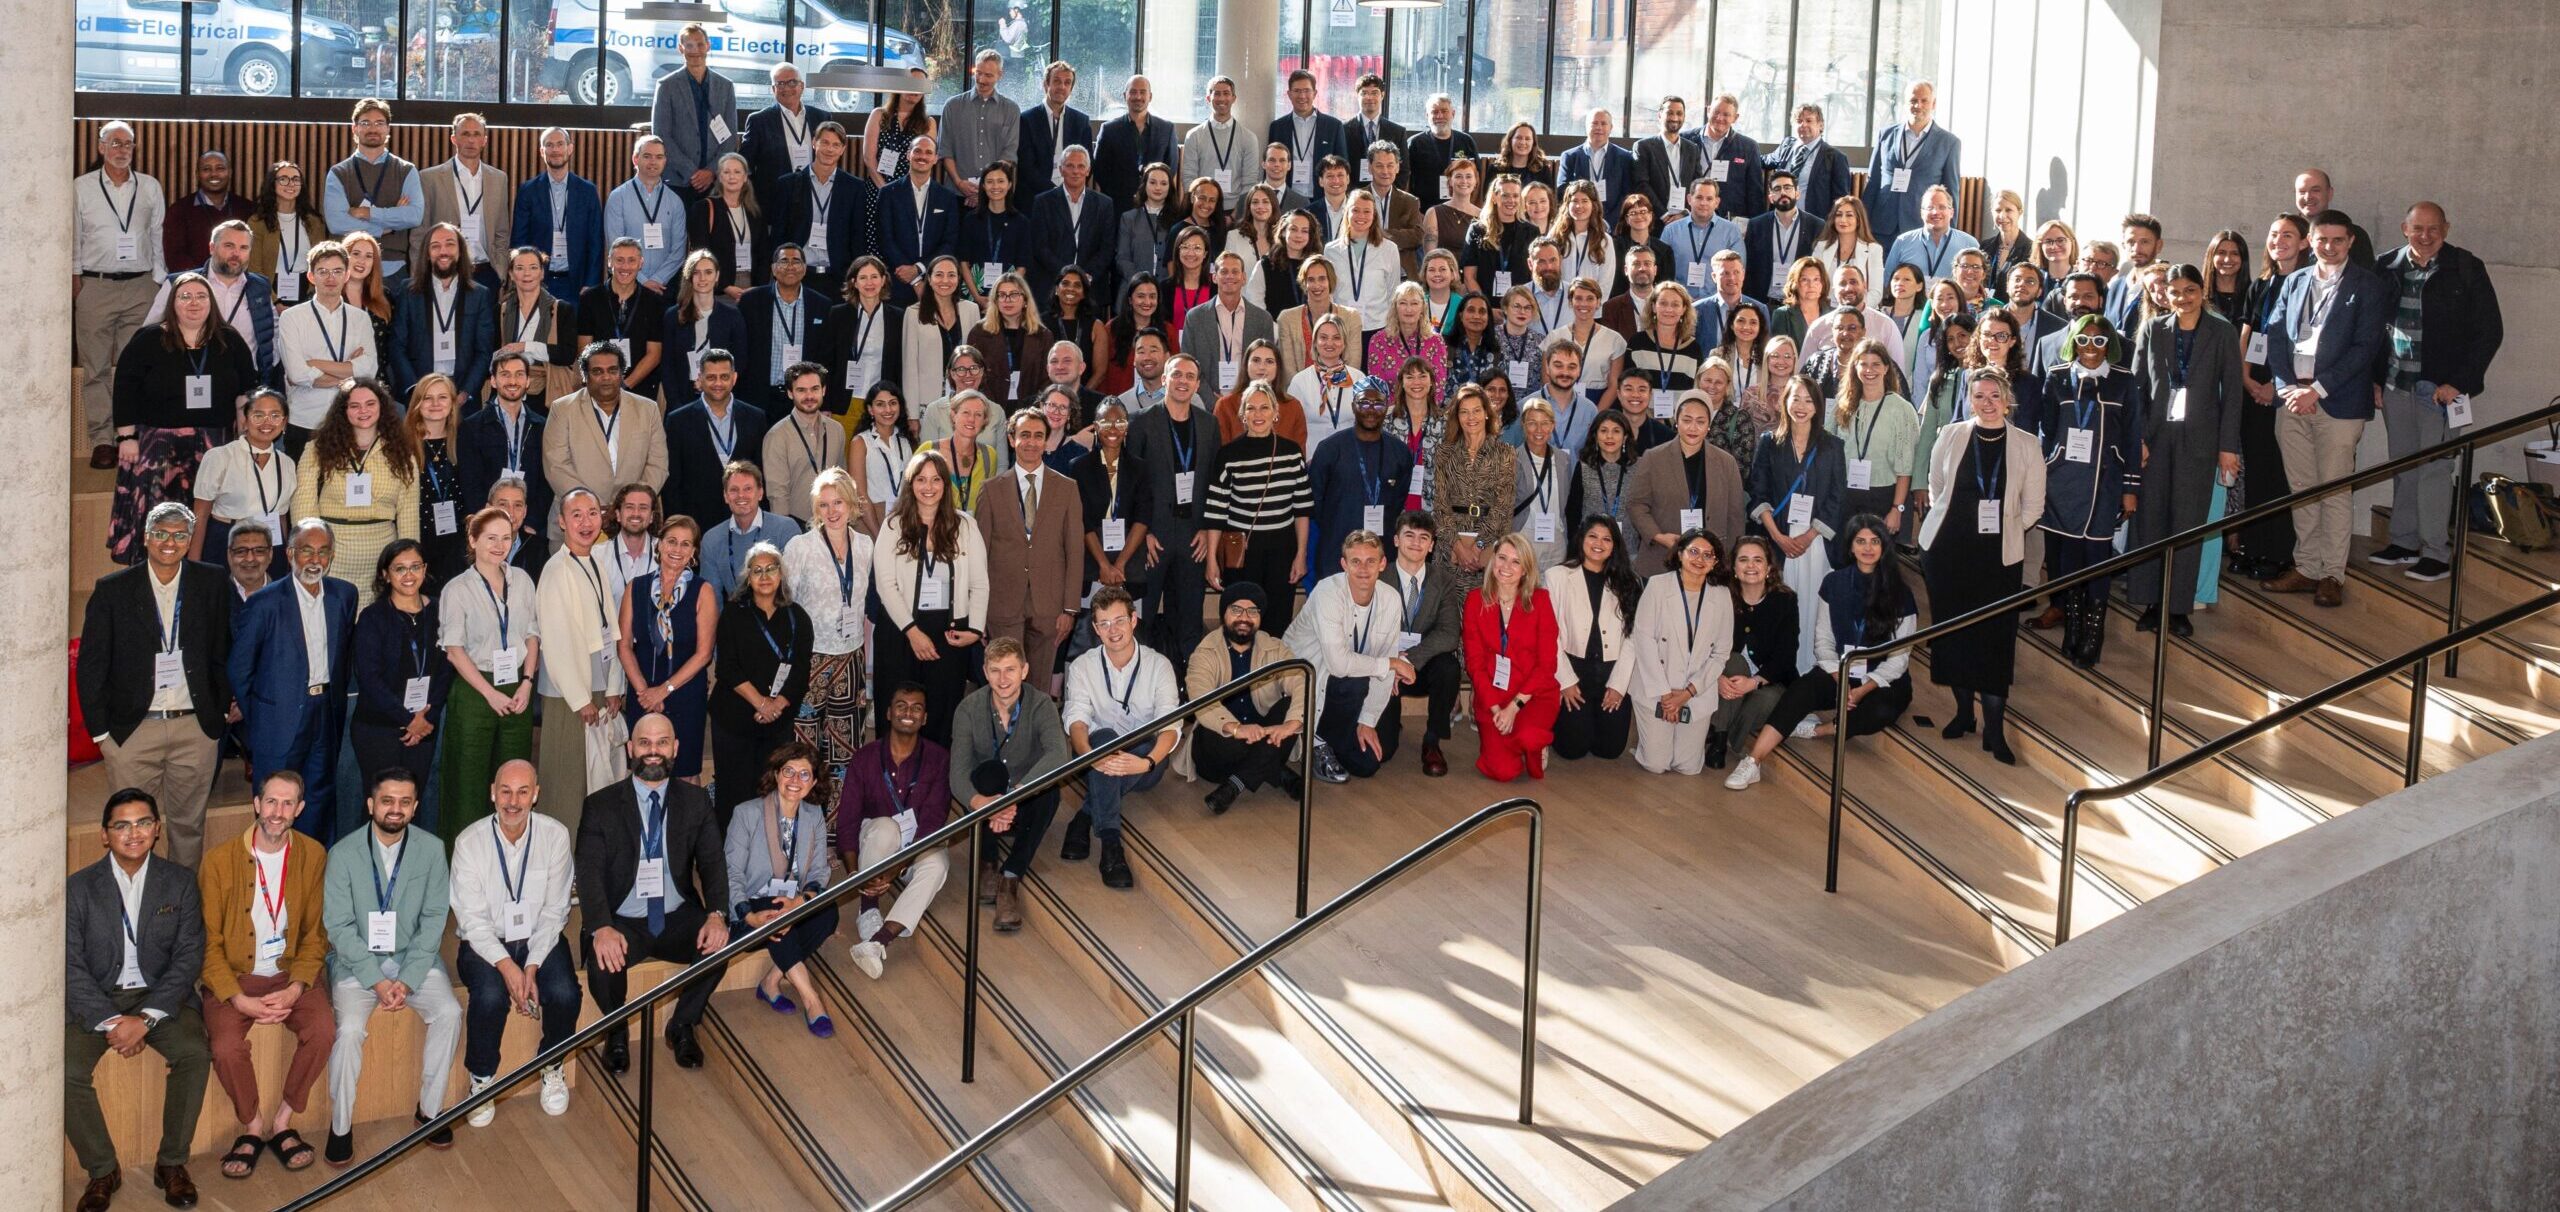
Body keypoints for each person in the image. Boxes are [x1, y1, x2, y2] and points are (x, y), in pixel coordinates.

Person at [66, 789, 212, 1210]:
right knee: (66, 1070)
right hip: (97, 998)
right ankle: (102, 1169)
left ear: (157, 829)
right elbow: (69, 964)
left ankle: (172, 1163)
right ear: (104, 835)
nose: (134, 833)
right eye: (122, 825)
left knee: (194, 1052)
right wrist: (113, 1023)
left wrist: (145, 1019)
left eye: (144, 822)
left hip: (159, 995)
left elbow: (188, 957)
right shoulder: (78, 888)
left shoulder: (179, 882)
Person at [318, 769, 462, 1164]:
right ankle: (340, 1125)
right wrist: (376, 981)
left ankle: (429, 1112)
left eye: (404, 802)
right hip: (356, 962)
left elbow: (434, 919)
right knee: (349, 1030)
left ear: (415, 808)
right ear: (371, 805)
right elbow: (338, 926)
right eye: (387, 801)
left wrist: (409, 979)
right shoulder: (343, 853)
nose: (395, 809)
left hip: (415, 958)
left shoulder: (432, 849)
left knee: (450, 1013)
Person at [576, 713, 732, 1075]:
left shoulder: (695, 801)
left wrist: (717, 914)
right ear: (631, 748)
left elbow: (712, 862)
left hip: (676, 914)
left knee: (724, 941)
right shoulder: (601, 805)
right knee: (602, 959)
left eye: (662, 743)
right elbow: (589, 872)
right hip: (622, 918)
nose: (653, 751)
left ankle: (682, 1024)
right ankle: (616, 1030)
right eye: (644, 743)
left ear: (675, 748)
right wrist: (601, 926)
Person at [195, 773, 331, 1180]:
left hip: (289, 973)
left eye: (287, 804)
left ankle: (284, 1120)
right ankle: (252, 1125)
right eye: (271, 801)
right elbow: (207, 944)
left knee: (324, 1030)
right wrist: (238, 999)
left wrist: (296, 988)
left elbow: (314, 935)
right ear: (256, 804)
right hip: (235, 977)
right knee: (225, 1047)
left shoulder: (313, 854)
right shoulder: (218, 861)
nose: (277, 812)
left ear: (299, 809)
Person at [1725, 515, 1917, 789]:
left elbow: (1899, 657)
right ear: (1850, 547)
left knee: (1880, 710)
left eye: (1875, 541)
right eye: (1860, 541)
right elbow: (1823, 641)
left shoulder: (1901, 593)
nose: (1867, 548)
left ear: (1884, 547)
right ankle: (1753, 762)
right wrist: (1840, 678)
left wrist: (1862, 690)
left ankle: (1821, 730)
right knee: (1799, 690)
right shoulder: (1834, 583)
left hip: (1881, 678)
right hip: (1840, 670)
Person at [2261, 211, 2391, 609]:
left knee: (2333, 489)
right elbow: (2276, 335)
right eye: (2322, 239)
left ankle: (2332, 574)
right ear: (2310, 241)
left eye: (2337, 240)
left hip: (2338, 402)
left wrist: (2316, 390)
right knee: (2302, 489)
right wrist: (2286, 387)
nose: (2329, 247)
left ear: (2350, 242)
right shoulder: (2295, 280)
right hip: (2292, 400)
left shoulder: (2368, 286)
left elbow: (2365, 348)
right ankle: (2306, 567)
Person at [2370, 203, 2504, 583]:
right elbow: (2374, 327)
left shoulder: (2465, 267)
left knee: (2435, 470)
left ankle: (2435, 553)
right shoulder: (2386, 266)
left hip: (2441, 392)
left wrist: (2459, 383)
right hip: (2396, 386)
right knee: (2403, 467)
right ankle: (2404, 542)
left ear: (2446, 228)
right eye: (2418, 228)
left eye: (2433, 228)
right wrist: (2375, 379)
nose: (2425, 236)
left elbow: (2489, 331)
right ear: (2404, 228)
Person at [1919, 369, 2046, 764]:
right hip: (1948, 553)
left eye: (1994, 395)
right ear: (1969, 400)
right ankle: (1963, 714)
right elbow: (1937, 487)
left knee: (1994, 643)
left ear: (2007, 400)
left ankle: (1994, 728)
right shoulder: (1951, 434)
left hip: (1998, 560)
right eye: (1979, 396)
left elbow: (2033, 507)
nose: (1987, 403)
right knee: (1954, 637)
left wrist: (2006, 530)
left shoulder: (2027, 444)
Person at [447, 759, 578, 1128]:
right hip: (485, 943)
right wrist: (508, 967)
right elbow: (472, 921)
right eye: (505, 791)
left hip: (539, 937)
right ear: (493, 793)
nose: (513, 801)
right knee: (490, 996)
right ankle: (481, 1079)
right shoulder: (469, 842)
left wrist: (532, 965)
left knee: (565, 993)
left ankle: (551, 1063)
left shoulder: (555, 835)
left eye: (523, 792)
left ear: (536, 795)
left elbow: (556, 910)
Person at [2122, 264, 2248, 634]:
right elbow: (2136, 387)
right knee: (2150, 520)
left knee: (2188, 524)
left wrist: (2227, 447)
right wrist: (2137, 438)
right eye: (2174, 291)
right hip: (2155, 439)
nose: (2182, 298)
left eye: (2190, 290)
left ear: (2201, 291)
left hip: (2201, 441)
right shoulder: (2153, 328)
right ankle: (2151, 602)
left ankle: (2178, 608)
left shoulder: (2222, 332)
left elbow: (2233, 394)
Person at [231, 520, 358, 839]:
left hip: (325, 713)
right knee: (275, 805)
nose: (315, 560)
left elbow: (344, 659)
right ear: (289, 554)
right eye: (306, 551)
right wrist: (262, 715)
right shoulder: (264, 603)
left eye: (323, 551)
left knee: (319, 801)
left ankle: (313, 864)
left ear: (332, 556)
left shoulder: (344, 595)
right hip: (277, 721)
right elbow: (239, 669)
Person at [1058, 587, 1181, 887]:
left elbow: (1170, 725)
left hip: (1144, 759)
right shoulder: (1083, 665)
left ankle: (1084, 817)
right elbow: (1076, 721)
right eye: (1104, 624)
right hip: (1093, 753)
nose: (1113, 630)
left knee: (1143, 744)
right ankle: (1111, 844)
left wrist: (1147, 763)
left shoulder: (1159, 665)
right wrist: (1090, 756)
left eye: (1119, 621)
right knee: (1105, 737)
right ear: (1096, 629)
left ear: (1133, 620)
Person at [2037, 315, 2141, 669]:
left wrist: (2130, 488)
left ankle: (2094, 633)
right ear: (2074, 343)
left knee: (2097, 557)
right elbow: (2047, 431)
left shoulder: (2123, 381)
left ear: (2109, 344)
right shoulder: (2057, 377)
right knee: (2067, 557)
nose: (2091, 348)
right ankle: (2073, 625)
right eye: (2084, 340)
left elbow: (2132, 437)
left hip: (2105, 483)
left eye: (2099, 341)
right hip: (2063, 481)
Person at [872, 449, 990, 743]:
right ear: (910, 484)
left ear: (945, 484)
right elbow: (885, 585)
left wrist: (975, 629)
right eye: (921, 479)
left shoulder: (966, 525)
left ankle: (936, 771)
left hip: (949, 634)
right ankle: (892, 769)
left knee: (942, 712)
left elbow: (980, 583)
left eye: (936, 479)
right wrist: (913, 632)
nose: (929, 487)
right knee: (897, 710)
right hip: (900, 632)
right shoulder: (893, 525)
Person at [832, 689, 951, 978]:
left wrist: (898, 866)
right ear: (888, 713)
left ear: (925, 718)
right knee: (886, 826)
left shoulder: (938, 758)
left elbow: (933, 821)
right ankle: (868, 908)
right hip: (876, 842)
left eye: (916, 708)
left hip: (914, 848)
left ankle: (878, 941)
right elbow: (847, 819)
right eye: (901, 706)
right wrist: (854, 875)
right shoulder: (865, 757)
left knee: (939, 862)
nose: (908, 713)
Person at [442, 506, 545, 837]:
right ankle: (464, 858)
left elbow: (532, 635)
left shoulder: (523, 581)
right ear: (473, 540)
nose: (500, 546)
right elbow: (454, 650)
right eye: (491, 538)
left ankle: (510, 852)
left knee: (513, 779)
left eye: (506, 538)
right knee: (469, 783)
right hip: (476, 689)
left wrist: (527, 682)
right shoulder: (457, 589)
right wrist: (489, 693)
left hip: (517, 688)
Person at [723, 743, 840, 1021]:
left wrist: (798, 902)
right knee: (777, 910)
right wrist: (748, 915)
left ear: (813, 782)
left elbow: (820, 873)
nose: (795, 780)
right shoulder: (746, 813)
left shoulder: (813, 816)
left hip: (790, 907)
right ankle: (811, 1000)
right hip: (751, 911)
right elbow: (731, 873)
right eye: (788, 771)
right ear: (776, 774)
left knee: (828, 912)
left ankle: (771, 981)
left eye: (804, 774)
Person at [533, 488, 624, 836]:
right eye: (576, 515)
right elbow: (555, 643)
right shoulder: (556, 570)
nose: (586, 522)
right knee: (566, 783)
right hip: (569, 695)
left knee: (596, 783)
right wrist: (579, 698)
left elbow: (610, 629)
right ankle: (563, 858)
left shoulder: (595, 561)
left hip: (597, 684)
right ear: (561, 522)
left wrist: (614, 686)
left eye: (592, 513)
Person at [350, 541, 452, 837]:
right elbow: (369, 679)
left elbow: (447, 668)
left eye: (415, 567)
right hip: (378, 729)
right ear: (385, 574)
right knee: (380, 806)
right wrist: (409, 719)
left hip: (424, 726)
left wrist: (427, 717)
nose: (409, 575)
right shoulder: (372, 617)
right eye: (399, 569)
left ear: (425, 569)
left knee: (412, 805)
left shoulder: (440, 611)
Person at [1749, 376, 1849, 673]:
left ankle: (1810, 670)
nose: (1801, 406)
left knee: (1814, 606)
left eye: (1808, 400)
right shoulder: (1769, 442)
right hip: (1778, 538)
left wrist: (1810, 534)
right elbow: (1758, 491)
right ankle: (1774, 672)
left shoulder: (1832, 446)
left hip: (1815, 542)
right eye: (1795, 398)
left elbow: (1837, 495)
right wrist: (1777, 536)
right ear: (1785, 402)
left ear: (1818, 406)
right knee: (1779, 605)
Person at [1126, 357, 1224, 657]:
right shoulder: (1140, 422)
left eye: (1190, 376)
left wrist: (1207, 529)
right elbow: (1131, 484)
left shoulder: (1209, 424)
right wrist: (1142, 533)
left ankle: (1187, 680)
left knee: (1189, 619)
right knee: (1142, 618)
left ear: (1197, 384)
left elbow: (1214, 482)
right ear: (1165, 379)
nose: (1183, 381)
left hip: (1194, 535)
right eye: (1177, 374)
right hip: (1153, 535)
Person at [1613, 527, 1731, 775]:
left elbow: (1721, 654)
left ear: (1715, 562)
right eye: (1693, 551)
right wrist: (1667, 696)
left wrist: (1687, 694)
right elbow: (1643, 640)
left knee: (1688, 767)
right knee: (1657, 764)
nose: (1700, 559)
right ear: (1680, 553)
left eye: (1708, 555)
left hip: (1696, 691)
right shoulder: (1657, 586)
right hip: (1657, 689)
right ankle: (1647, 745)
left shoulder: (1721, 596)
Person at [1201, 382, 1315, 631]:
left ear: (1275, 412)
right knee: (1240, 624)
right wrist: (1211, 560)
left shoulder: (1292, 453)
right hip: (1241, 554)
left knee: (1277, 623)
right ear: (1242, 414)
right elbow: (1215, 514)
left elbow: (1302, 510)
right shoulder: (1228, 455)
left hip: (1282, 552)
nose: (1258, 414)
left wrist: (1301, 555)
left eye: (1264, 408)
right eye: (1251, 408)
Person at [1460, 532, 1562, 781]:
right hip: (1493, 694)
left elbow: (1547, 665)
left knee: (1528, 737)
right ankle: (1511, 744)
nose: (1506, 566)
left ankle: (1534, 744)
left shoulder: (1541, 600)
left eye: (1516, 561)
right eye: (1502, 558)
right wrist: (1496, 708)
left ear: (1525, 569)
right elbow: (1475, 664)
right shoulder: (1475, 601)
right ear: (1493, 559)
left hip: (1532, 694)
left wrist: (1514, 708)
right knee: (1502, 772)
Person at [1189, 582, 1301, 810]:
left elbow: (1301, 681)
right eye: (1236, 610)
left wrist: (1291, 724)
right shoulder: (1204, 652)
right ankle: (1276, 771)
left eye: (1252, 611)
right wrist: (1236, 729)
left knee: (1290, 706)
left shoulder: (1275, 648)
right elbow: (1201, 700)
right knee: (1213, 733)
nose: (1244, 617)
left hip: (1263, 734)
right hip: (1222, 745)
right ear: (1224, 614)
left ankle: (1235, 784)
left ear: (1260, 617)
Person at [544, 342, 670, 528]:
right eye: (597, 371)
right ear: (585, 376)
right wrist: (591, 509)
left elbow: (657, 465)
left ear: (621, 374)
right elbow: (556, 466)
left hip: (633, 519)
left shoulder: (648, 409)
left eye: (612, 370)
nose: (606, 377)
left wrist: (629, 506)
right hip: (577, 521)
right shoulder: (562, 409)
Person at [1547, 517, 1639, 762]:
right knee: (1571, 750)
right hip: (1574, 671)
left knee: (1609, 750)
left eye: (1607, 539)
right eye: (1593, 536)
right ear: (1581, 539)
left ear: (1614, 545)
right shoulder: (1557, 576)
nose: (1599, 543)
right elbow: (1549, 635)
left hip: (1612, 672)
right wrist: (1566, 681)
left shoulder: (1628, 581)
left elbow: (1633, 638)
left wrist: (1618, 686)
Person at [1627, 393, 1749, 568]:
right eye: (1687, 420)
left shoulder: (1726, 462)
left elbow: (1735, 516)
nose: (1693, 427)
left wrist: (1727, 561)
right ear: (1676, 421)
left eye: (1700, 422)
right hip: (1663, 555)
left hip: (1710, 560)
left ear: (1709, 425)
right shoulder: (1653, 458)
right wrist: (1658, 536)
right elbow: (1636, 504)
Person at [1710, 535, 1799, 768]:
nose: (1751, 566)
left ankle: (1724, 737)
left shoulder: (1785, 600)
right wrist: (1717, 678)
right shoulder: (1720, 596)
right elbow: (1705, 645)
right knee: (1734, 661)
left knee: (1768, 699)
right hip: (1727, 674)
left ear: (1769, 568)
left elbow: (1786, 656)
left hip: (1769, 680)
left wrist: (1754, 682)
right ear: (1734, 568)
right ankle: (1718, 740)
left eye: (1758, 560)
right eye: (1743, 560)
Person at [1826, 339, 1921, 534]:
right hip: (1844, 493)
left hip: (1883, 496)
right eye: (1864, 364)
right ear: (1855, 367)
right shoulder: (1842, 405)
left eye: (1876, 364)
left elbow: (1905, 468)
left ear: (1886, 368)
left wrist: (1897, 509)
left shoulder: (1902, 409)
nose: (1869, 370)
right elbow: (1827, 447)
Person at [323, 99, 423, 278]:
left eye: (379, 123)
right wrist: (386, 228)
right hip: (349, 266)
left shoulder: (406, 170)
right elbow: (336, 223)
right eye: (365, 123)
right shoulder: (339, 172)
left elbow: (414, 216)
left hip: (393, 265)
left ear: (388, 129)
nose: (373, 128)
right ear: (354, 128)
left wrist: (366, 213)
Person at [773, 123, 875, 298]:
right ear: (814, 143)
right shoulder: (788, 184)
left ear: (843, 149)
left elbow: (858, 236)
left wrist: (855, 275)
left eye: (836, 145)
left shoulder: (855, 188)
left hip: (838, 277)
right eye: (825, 142)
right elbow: (779, 234)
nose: (830, 149)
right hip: (797, 275)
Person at [1858, 82, 1960, 242]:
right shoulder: (1885, 135)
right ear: (1905, 103)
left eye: (1924, 100)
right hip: (1882, 225)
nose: (1918, 105)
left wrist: (1948, 235)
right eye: (1913, 101)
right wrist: (1862, 224)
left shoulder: (1948, 143)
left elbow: (1951, 192)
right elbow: (1873, 182)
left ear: (1934, 104)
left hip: (1921, 227)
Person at [511, 128, 604, 302]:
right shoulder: (528, 191)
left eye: (560, 144)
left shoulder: (587, 191)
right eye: (549, 145)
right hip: (538, 283)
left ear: (570, 148)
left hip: (577, 285)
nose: (555, 150)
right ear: (542, 151)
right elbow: (519, 240)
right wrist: (524, 279)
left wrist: (591, 283)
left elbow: (596, 242)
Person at [650, 24, 740, 197]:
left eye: (700, 44)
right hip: (678, 180)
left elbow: (729, 138)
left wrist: (711, 171)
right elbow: (662, 134)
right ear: (680, 48)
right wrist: (691, 172)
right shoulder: (666, 86)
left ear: (708, 46)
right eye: (689, 45)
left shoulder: (726, 86)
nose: (695, 50)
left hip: (715, 181)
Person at [878, 137, 964, 307]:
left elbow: (950, 242)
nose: (922, 156)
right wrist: (912, 277)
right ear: (908, 155)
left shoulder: (947, 197)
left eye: (928, 152)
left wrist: (919, 269)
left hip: (935, 280)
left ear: (935, 158)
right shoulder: (888, 193)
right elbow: (885, 239)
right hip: (898, 278)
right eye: (917, 151)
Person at [1028, 146, 1119, 303]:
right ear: (1061, 170)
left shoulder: (1104, 204)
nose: (1075, 171)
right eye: (1070, 166)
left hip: (1091, 286)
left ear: (1088, 170)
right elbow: (1040, 247)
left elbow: (1107, 248)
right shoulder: (1043, 202)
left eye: (1081, 166)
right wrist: (1066, 276)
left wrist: (1084, 276)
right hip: (1052, 284)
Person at [743, 62, 836, 204]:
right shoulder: (759, 121)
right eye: (780, 84)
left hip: (814, 195)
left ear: (802, 86)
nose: (786, 88)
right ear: (773, 89)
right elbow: (745, 164)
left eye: (792, 82)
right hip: (774, 199)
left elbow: (831, 156)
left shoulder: (822, 117)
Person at [941, 50, 1023, 205]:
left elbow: (1009, 153)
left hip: (995, 196)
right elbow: (945, 151)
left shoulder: (1011, 109)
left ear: (1000, 75)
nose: (981, 79)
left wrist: (987, 188)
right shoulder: (952, 106)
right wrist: (959, 183)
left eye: (988, 75)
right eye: (978, 73)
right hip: (956, 193)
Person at [1019, 61, 1097, 193]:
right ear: (1046, 84)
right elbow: (1026, 166)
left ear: (1071, 89)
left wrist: (1070, 190)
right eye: (1057, 81)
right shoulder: (1027, 119)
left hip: (1072, 193)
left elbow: (1087, 163)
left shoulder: (1081, 121)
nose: (1062, 87)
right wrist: (1054, 192)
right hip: (1036, 194)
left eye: (1067, 83)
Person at [1271, 70, 1350, 200]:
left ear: (1315, 93)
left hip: (1322, 197)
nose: (1302, 96)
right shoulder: (1277, 127)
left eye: (1307, 91)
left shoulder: (1333, 126)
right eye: (1297, 91)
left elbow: (1343, 166)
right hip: (1288, 198)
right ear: (1289, 94)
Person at [2291, 168, 2376, 268]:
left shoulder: (2355, 235)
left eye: (2315, 190)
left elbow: (2365, 275)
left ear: (2329, 193)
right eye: (2302, 191)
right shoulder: (2282, 234)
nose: (2308, 197)